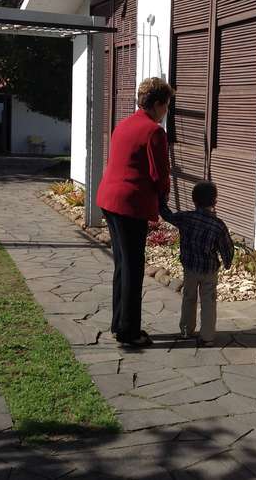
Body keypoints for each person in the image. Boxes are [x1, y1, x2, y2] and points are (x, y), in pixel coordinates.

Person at [96, 77, 172, 347]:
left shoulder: (124, 125)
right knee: (133, 268)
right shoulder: (154, 132)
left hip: (109, 201)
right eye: (166, 106)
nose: (166, 113)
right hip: (130, 205)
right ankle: (129, 332)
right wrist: (164, 197)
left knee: (122, 265)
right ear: (158, 104)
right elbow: (160, 174)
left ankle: (119, 323)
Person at [160, 181, 234, 346]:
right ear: (215, 202)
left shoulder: (186, 218)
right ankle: (207, 337)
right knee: (208, 301)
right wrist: (227, 262)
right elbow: (227, 248)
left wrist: (162, 200)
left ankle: (186, 331)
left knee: (189, 297)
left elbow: (167, 215)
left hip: (190, 268)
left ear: (194, 200)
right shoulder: (218, 225)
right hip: (209, 270)